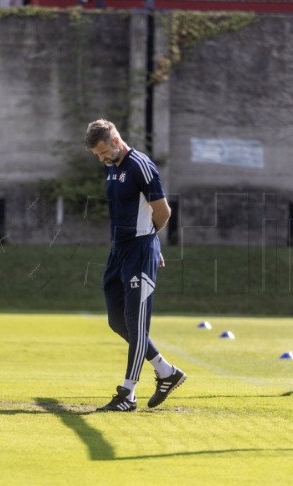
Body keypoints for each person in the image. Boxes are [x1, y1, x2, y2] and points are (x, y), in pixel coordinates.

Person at [84, 118, 186, 412]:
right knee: (117, 321)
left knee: (136, 322)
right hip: (118, 252)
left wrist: (151, 245)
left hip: (139, 252)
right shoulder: (112, 167)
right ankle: (167, 372)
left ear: (116, 141)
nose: (102, 159)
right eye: (97, 156)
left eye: (104, 152)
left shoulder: (140, 165)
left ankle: (127, 394)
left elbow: (164, 211)